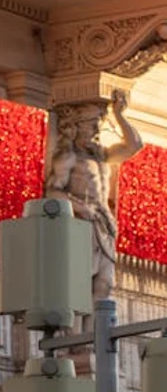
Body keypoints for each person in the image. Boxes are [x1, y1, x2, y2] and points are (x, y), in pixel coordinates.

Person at [44, 89, 143, 304]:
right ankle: (79, 335)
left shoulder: (104, 156)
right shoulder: (68, 157)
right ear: (77, 127)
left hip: (103, 223)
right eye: (92, 124)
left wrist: (119, 115)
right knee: (80, 283)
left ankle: (95, 335)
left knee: (104, 285)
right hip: (82, 223)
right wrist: (79, 207)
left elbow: (134, 145)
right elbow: (52, 192)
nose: (97, 130)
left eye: (99, 123)